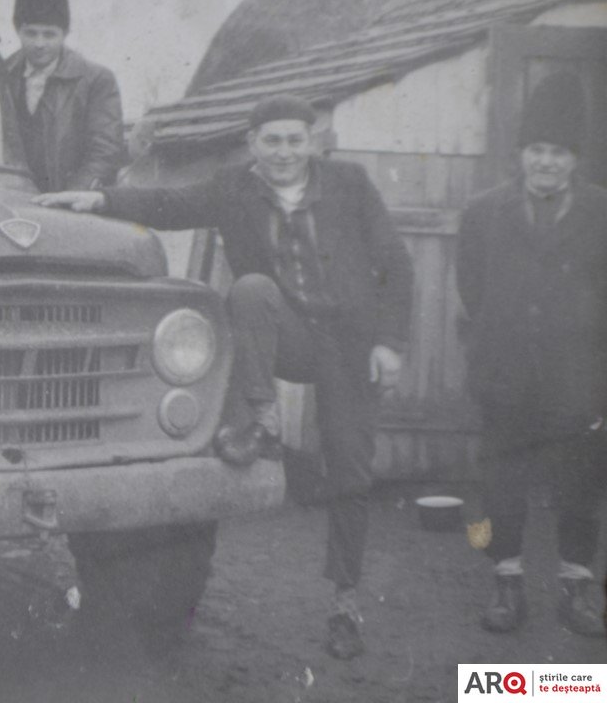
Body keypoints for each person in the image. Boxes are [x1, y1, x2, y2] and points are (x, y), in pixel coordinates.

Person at [33, 94, 413, 660]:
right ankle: (263, 421)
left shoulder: (349, 184)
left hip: (349, 344)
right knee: (251, 290)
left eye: (294, 140)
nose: (283, 152)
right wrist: (99, 199)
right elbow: (167, 203)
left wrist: (389, 343)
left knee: (350, 469)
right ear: (252, 143)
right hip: (285, 334)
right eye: (271, 141)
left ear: (311, 142)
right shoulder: (234, 187)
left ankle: (345, 603)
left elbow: (396, 264)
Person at [456, 71, 607, 637]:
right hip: (505, 372)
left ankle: (576, 588)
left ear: (576, 159)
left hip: (579, 377)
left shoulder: (602, 211)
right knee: (501, 484)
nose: (546, 162)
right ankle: (506, 584)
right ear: (520, 153)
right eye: (537, 149)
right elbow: (472, 287)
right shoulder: (483, 212)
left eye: (559, 152)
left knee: (580, 483)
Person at [5, 0, 126, 192]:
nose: (39, 44)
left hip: (68, 200)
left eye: (49, 34)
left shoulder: (97, 80)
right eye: (31, 33)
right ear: (18, 30)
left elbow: (105, 153)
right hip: (10, 196)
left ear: (65, 33)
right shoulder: (2, 75)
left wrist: (71, 196)